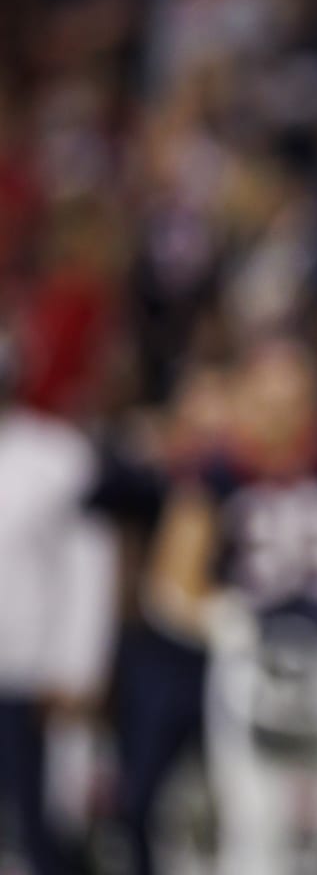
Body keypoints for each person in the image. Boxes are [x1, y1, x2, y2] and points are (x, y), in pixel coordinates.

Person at [144, 338, 317, 875]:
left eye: (293, 402)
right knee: (253, 824)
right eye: (267, 402)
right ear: (241, 400)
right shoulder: (215, 473)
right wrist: (221, 620)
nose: (280, 418)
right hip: (254, 662)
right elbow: (168, 583)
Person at [0, 327, 117, 875]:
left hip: (32, 680)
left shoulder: (57, 455)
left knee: (46, 833)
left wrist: (78, 665)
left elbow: (89, 568)